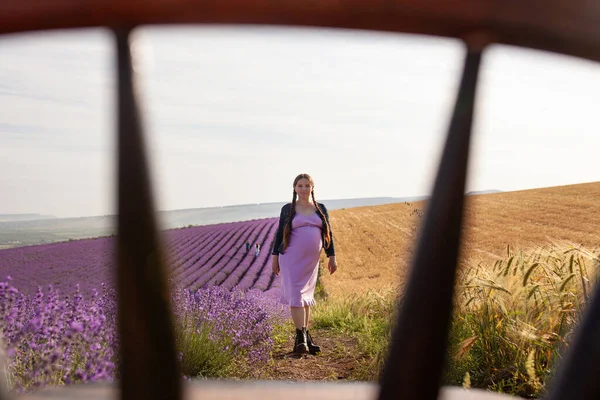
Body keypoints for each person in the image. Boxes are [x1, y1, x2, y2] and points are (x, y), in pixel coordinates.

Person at [271, 173, 337, 355]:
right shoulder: (288, 209)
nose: (304, 188)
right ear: (294, 188)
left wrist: (332, 256)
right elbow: (279, 234)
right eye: (300, 185)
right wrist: (274, 257)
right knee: (295, 294)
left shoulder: (320, 208)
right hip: (290, 258)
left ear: (312, 188)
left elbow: (328, 233)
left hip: (310, 262)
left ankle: (306, 338)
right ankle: (300, 339)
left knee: (305, 297)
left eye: (307, 185)